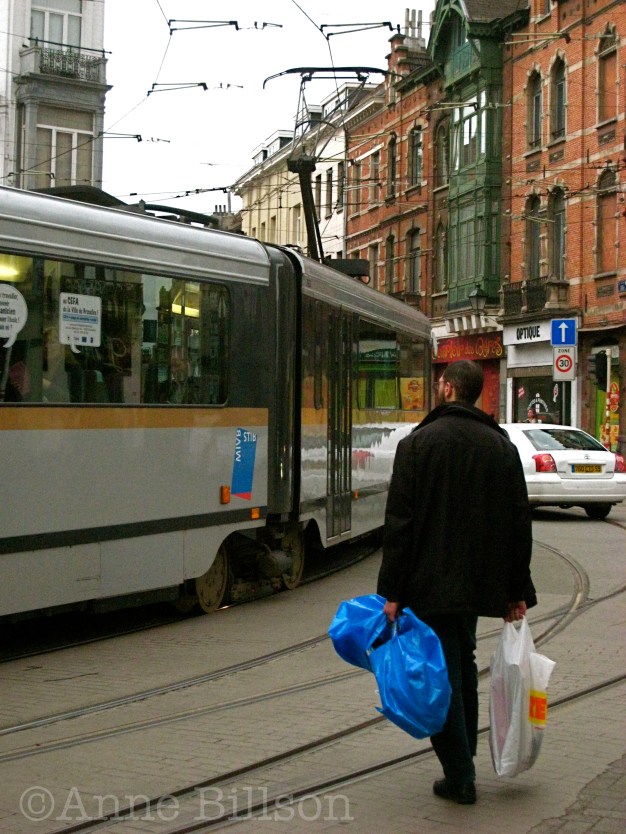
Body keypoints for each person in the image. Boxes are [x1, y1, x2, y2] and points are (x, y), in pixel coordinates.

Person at [377, 359, 535, 806]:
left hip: (429, 582)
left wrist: (391, 592)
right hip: (478, 582)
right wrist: (516, 590)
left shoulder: (418, 444)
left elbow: (400, 526)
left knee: (443, 674)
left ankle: (460, 774)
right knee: (461, 664)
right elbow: (518, 523)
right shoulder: (500, 447)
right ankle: (462, 757)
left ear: (447, 389)